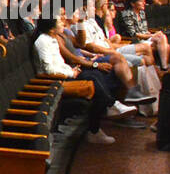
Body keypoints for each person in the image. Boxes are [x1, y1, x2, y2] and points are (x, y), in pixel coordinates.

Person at [33, 15, 116, 144]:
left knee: (96, 74)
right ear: (51, 28)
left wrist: (71, 70)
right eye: (59, 21)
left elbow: (59, 63)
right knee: (94, 80)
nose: (62, 22)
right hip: (55, 81)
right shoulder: (43, 42)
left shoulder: (52, 39)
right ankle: (101, 117)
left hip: (65, 75)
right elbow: (49, 70)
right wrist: (71, 73)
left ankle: (106, 110)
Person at [116, 0, 170, 70]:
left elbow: (145, 30)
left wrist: (151, 34)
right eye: (141, 1)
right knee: (163, 40)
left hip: (146, 37)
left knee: (165, 42)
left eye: (144, 1)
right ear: (133, 3)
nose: (144, 3)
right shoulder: (127, 14)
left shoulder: (142, 13)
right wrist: (151, 35)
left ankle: (163, 67)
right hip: (136, 40)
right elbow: (133, 34)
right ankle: (164, 67)